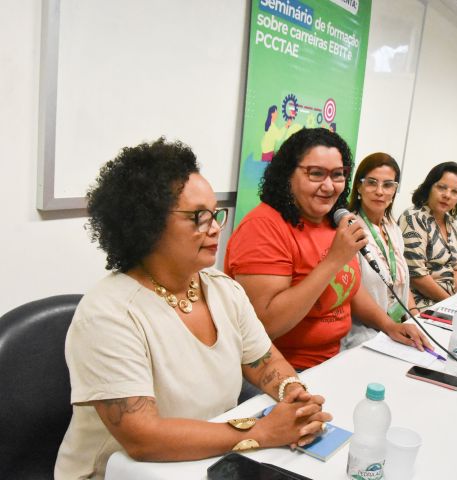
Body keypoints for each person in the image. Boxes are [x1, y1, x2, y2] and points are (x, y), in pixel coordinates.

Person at [55, 138, 330, 480]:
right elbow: (142, 438)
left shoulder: (222, 289)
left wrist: (293, 395)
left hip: (205, 462)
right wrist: (260, 433)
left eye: (215, 214)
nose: (215, 228)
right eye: (198, 217)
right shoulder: (108, 314)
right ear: (149, 223)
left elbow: (264, 361)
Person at [224, 128, 430, 371]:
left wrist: (389, 326)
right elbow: (267, 324)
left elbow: (348, 289)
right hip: (280, 369)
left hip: (335, 358)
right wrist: (333, 261)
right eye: (316, 174)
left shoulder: (331, 220)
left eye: (338, 175)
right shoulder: (262, 227)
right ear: (288, 174)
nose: (329, 186)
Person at [341, 153, 419, 349]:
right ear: (358, 186)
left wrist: (415, 315)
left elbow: (399, 281)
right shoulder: (349, 229)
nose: (379, 191)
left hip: (397, 325)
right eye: (371, 183)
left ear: (395, 190)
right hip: (363, 332)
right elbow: (352, 294)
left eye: (388, 185)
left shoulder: (393, 227)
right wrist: (390, 326)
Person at [399, 161, 457, 310]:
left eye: (455, 192)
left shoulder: (450, 222)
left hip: (448, 300)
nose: (447, 195)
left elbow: (456, 269)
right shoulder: (414, 218)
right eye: (441, 187)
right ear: (429, 187)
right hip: (422, 302)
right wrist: (451, 303)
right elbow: (417, 277)